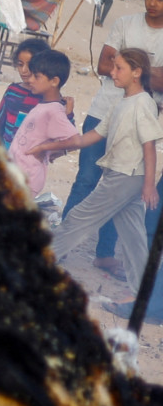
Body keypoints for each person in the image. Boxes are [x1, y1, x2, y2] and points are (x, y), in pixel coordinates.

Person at [43, 48, 161, 310]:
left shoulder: (143, 103)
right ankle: (145, 293)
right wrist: (55, 148)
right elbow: (91, 137)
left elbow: (149, 146)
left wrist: (149, 184)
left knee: (79, 217)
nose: (113, 72)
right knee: (133, 236)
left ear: (136, 73)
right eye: (114, 66)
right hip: (125, 176)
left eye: (119, 68)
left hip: (126, 175)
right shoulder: (121, 103)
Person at [65, 0, 163, 275]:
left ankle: (104, 253)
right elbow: (104, 65)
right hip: (104, 112)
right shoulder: (125, 23)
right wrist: (150, 73)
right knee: (86, 180)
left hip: (140, 126)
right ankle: (60, 246)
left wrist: (129, 69)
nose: (152, 3)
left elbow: (116, 66)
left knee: (122, 192)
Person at [9, 50, 77, 202]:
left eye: (36, 76)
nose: (30, 79)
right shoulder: (46, 106)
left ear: (54, 81)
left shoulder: (53, 110)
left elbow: (75, 141)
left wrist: (44, 149)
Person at [0, 40, 55, 147]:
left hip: (30, 161)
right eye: (20, 64)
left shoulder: (49, 98)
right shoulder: (12, 91)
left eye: (30, 65)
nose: (23, 70)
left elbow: (64, 137)